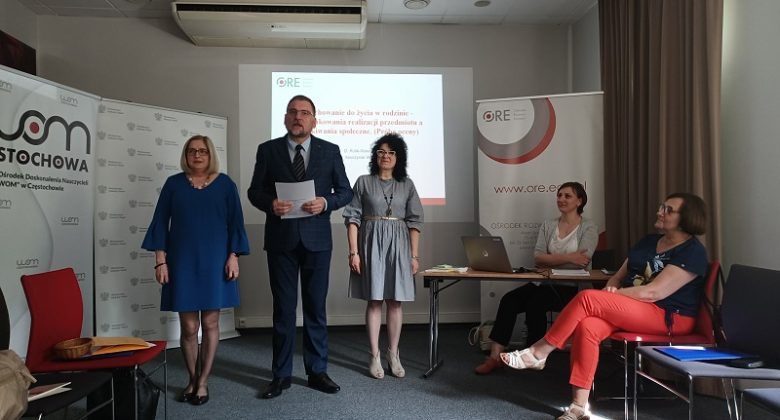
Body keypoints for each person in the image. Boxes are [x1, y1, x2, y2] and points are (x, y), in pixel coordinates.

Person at [500, 193, 708, 420]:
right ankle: (579, 407)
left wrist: (611, 296)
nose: (659, 212)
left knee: (588, 298)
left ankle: (539, 351)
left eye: (668, 210)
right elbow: (619, 276)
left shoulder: (692, 252)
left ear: (686, 218)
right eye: (661, 207)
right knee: (588, 326)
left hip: (668, 316)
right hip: (634, 307)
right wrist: (611, 288)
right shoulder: (648, 242)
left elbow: (654, 292)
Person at [247, 95, 353, 399]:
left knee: (315, 308)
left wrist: (325, 202)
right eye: (293, 112)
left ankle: (317, 371)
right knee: (283, 309)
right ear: (285, 118)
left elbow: (345, 191)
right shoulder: (267, 150)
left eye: (305, 113)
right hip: (281, 240)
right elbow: (254, 191)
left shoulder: (330, 151)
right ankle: (280, 375)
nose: (298, 117)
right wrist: (270, 203)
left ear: (314, 121)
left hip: (317, 241)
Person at [142, 135, 249, 406]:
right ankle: (192, 377)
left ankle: (203, 382)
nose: (197, 155)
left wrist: (234, 256)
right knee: (189, 326)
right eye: (192, 151)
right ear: (186, 155)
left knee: (211, 323)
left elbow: (236, 223)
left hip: (216, 262)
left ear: (210, 154)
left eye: (202, 151)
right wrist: (160, 260)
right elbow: (159, 223)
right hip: (182, 262)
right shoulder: (173, 184)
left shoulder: (226, 185)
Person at [475, 182, 597, 375]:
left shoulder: (588, 226)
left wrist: (554, 260)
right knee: (509, 300)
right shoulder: (548, 225)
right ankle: (494, 357)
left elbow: (583, 261)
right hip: (543, 282)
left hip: (571, 287)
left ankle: (534, 356)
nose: (561, 199)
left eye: (567, 196)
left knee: (536, 303)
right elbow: (538, 257)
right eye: (559, 195)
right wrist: (569, 257)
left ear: (579, 201)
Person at [343, 133, 424, 379]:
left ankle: (393, 353)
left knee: (396, 301)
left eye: (391, 152)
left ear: (399, 157)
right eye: (381, 152)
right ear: (374, 156)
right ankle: (374, 355)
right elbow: (352, 218)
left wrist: (414, 256)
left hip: (399, 245)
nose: (385, 156)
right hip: (371, 244)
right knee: (375, 300)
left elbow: (415, 222)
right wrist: (354, 252)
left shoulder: (407, 184)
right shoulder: (363, 182)